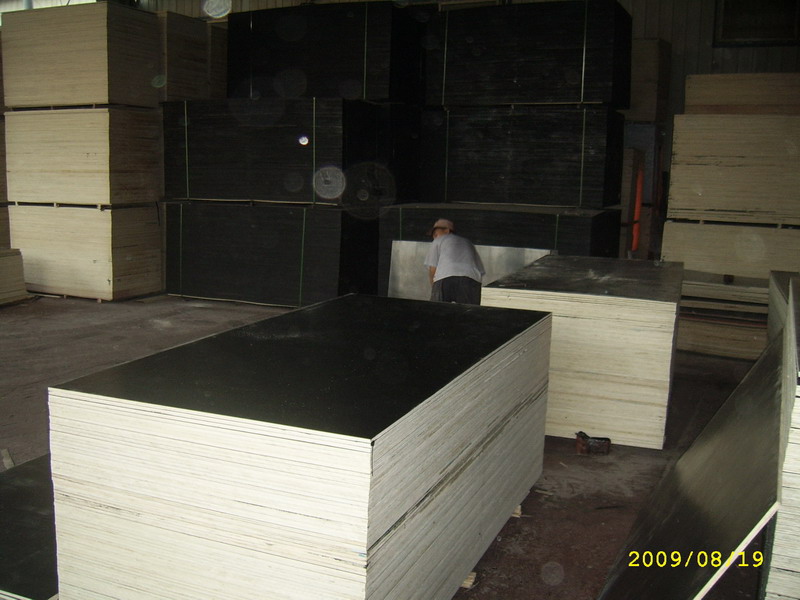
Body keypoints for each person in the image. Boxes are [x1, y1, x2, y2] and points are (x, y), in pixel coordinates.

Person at [423, 218, 485, 305]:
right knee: (469, 311)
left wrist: (434, 290)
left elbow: (433, 269)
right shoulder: (468, 243)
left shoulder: (438, 240)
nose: (434, 237)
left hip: (445, 277)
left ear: (447, 230)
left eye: (435, 233)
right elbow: (480, 271)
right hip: (470, 279)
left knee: (438, 310)